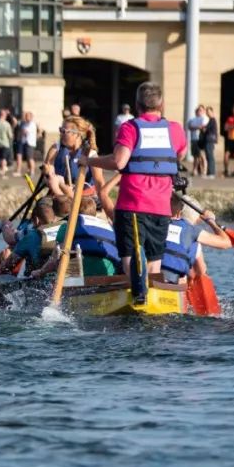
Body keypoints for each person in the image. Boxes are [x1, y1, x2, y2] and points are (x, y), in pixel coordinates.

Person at [83, 81, 186, 304]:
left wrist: (88, 160)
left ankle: (135, 295)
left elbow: (119, 161)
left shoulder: (130, 127)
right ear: (162, 104)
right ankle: (151, 297)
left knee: (129, 254)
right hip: (161, 207)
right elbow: (180, 154)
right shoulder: (175, 130)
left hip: (132, 205)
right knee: (155, 257)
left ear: (138, 105)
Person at [30, 196, 121, 279]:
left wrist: (41, 271)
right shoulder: (108, 227)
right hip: (109, 274)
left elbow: (56, 256)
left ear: (73, 212)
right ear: (94, 213)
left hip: (80, 277)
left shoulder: (67, 227)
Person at [159, 193, 232, 285]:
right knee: (188, 275)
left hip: (150, 278)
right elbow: (226, 243)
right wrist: (211, 222)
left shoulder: (157, 223)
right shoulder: (192, 232)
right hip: (173, 285)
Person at [45, 115, 103, 199]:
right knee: (43, 208)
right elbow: (47, 176)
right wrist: (49, 177)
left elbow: (100, 185)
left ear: (77, 134)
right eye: (61, 130)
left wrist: (69, 192)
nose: (61, 134)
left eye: (65, 131)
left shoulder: (91, 154)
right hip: (58, 196)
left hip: (84, 199)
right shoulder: (55, 149)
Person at [0, 198, 62, 274]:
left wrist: (4, 260)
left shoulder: (30, 237)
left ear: (36, 220)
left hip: (37, 280)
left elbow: (5, 267)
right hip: (65, 277)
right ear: (55, 217)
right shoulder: (67, 229)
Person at [0, 109, 14, 177]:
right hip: (5, 143)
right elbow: (10, 136)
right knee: (4, 159)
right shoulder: (7, 124)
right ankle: (3, 174)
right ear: (5, 115)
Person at [187, 105, 208, 177]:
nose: (199, 112)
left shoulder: (205, 118)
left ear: (203, 111)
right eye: (198, 110)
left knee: (202, 155)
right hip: (193, 139)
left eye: (200, 110)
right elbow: (189, 126)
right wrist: (197, 127)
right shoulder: (193, 119)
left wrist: (195, 127)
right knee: (195, 156)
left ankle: (204, 170)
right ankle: (195, 170)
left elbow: (203, 127)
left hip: (200, 139)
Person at [16, 110, 37, 177]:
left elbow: (25, 132)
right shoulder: (25, 124)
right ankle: (29, 170)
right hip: (25, 142)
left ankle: (32, 172)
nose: (26, 117)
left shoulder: (32, 124)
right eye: (25, 116)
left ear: (31, 117)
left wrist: (22, 130)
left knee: (30, 158)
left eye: (27, 116)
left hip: (30, 143)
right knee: (28, 158)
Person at [202, 107, 218, 179]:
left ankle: (211, 173)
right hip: (208, 140)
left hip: (210, 140)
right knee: (208, 157)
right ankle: (209, 173)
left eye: (209, 111)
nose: (208, 113)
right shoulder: (210, 120)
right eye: (207, 112)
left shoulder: (212, 120)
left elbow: (206, 129)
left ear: (212, 112)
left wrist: (203, 128)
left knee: (210, 157)